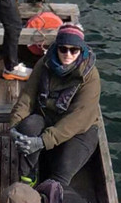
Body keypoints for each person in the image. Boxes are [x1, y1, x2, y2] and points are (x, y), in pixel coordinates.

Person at [8, 23, 100, 186]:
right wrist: (14, 126)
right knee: (27, 128)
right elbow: (27, 97)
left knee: (61, 174)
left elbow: (77, 119)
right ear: (56, 47)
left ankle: (50, 199)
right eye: (63, 49)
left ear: (81, 50)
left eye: (74, 50)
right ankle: (29, 176)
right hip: (47, 117)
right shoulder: (44, 64)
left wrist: (43, 141)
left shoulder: (90, 77)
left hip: (79, 130)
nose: (68, 54)